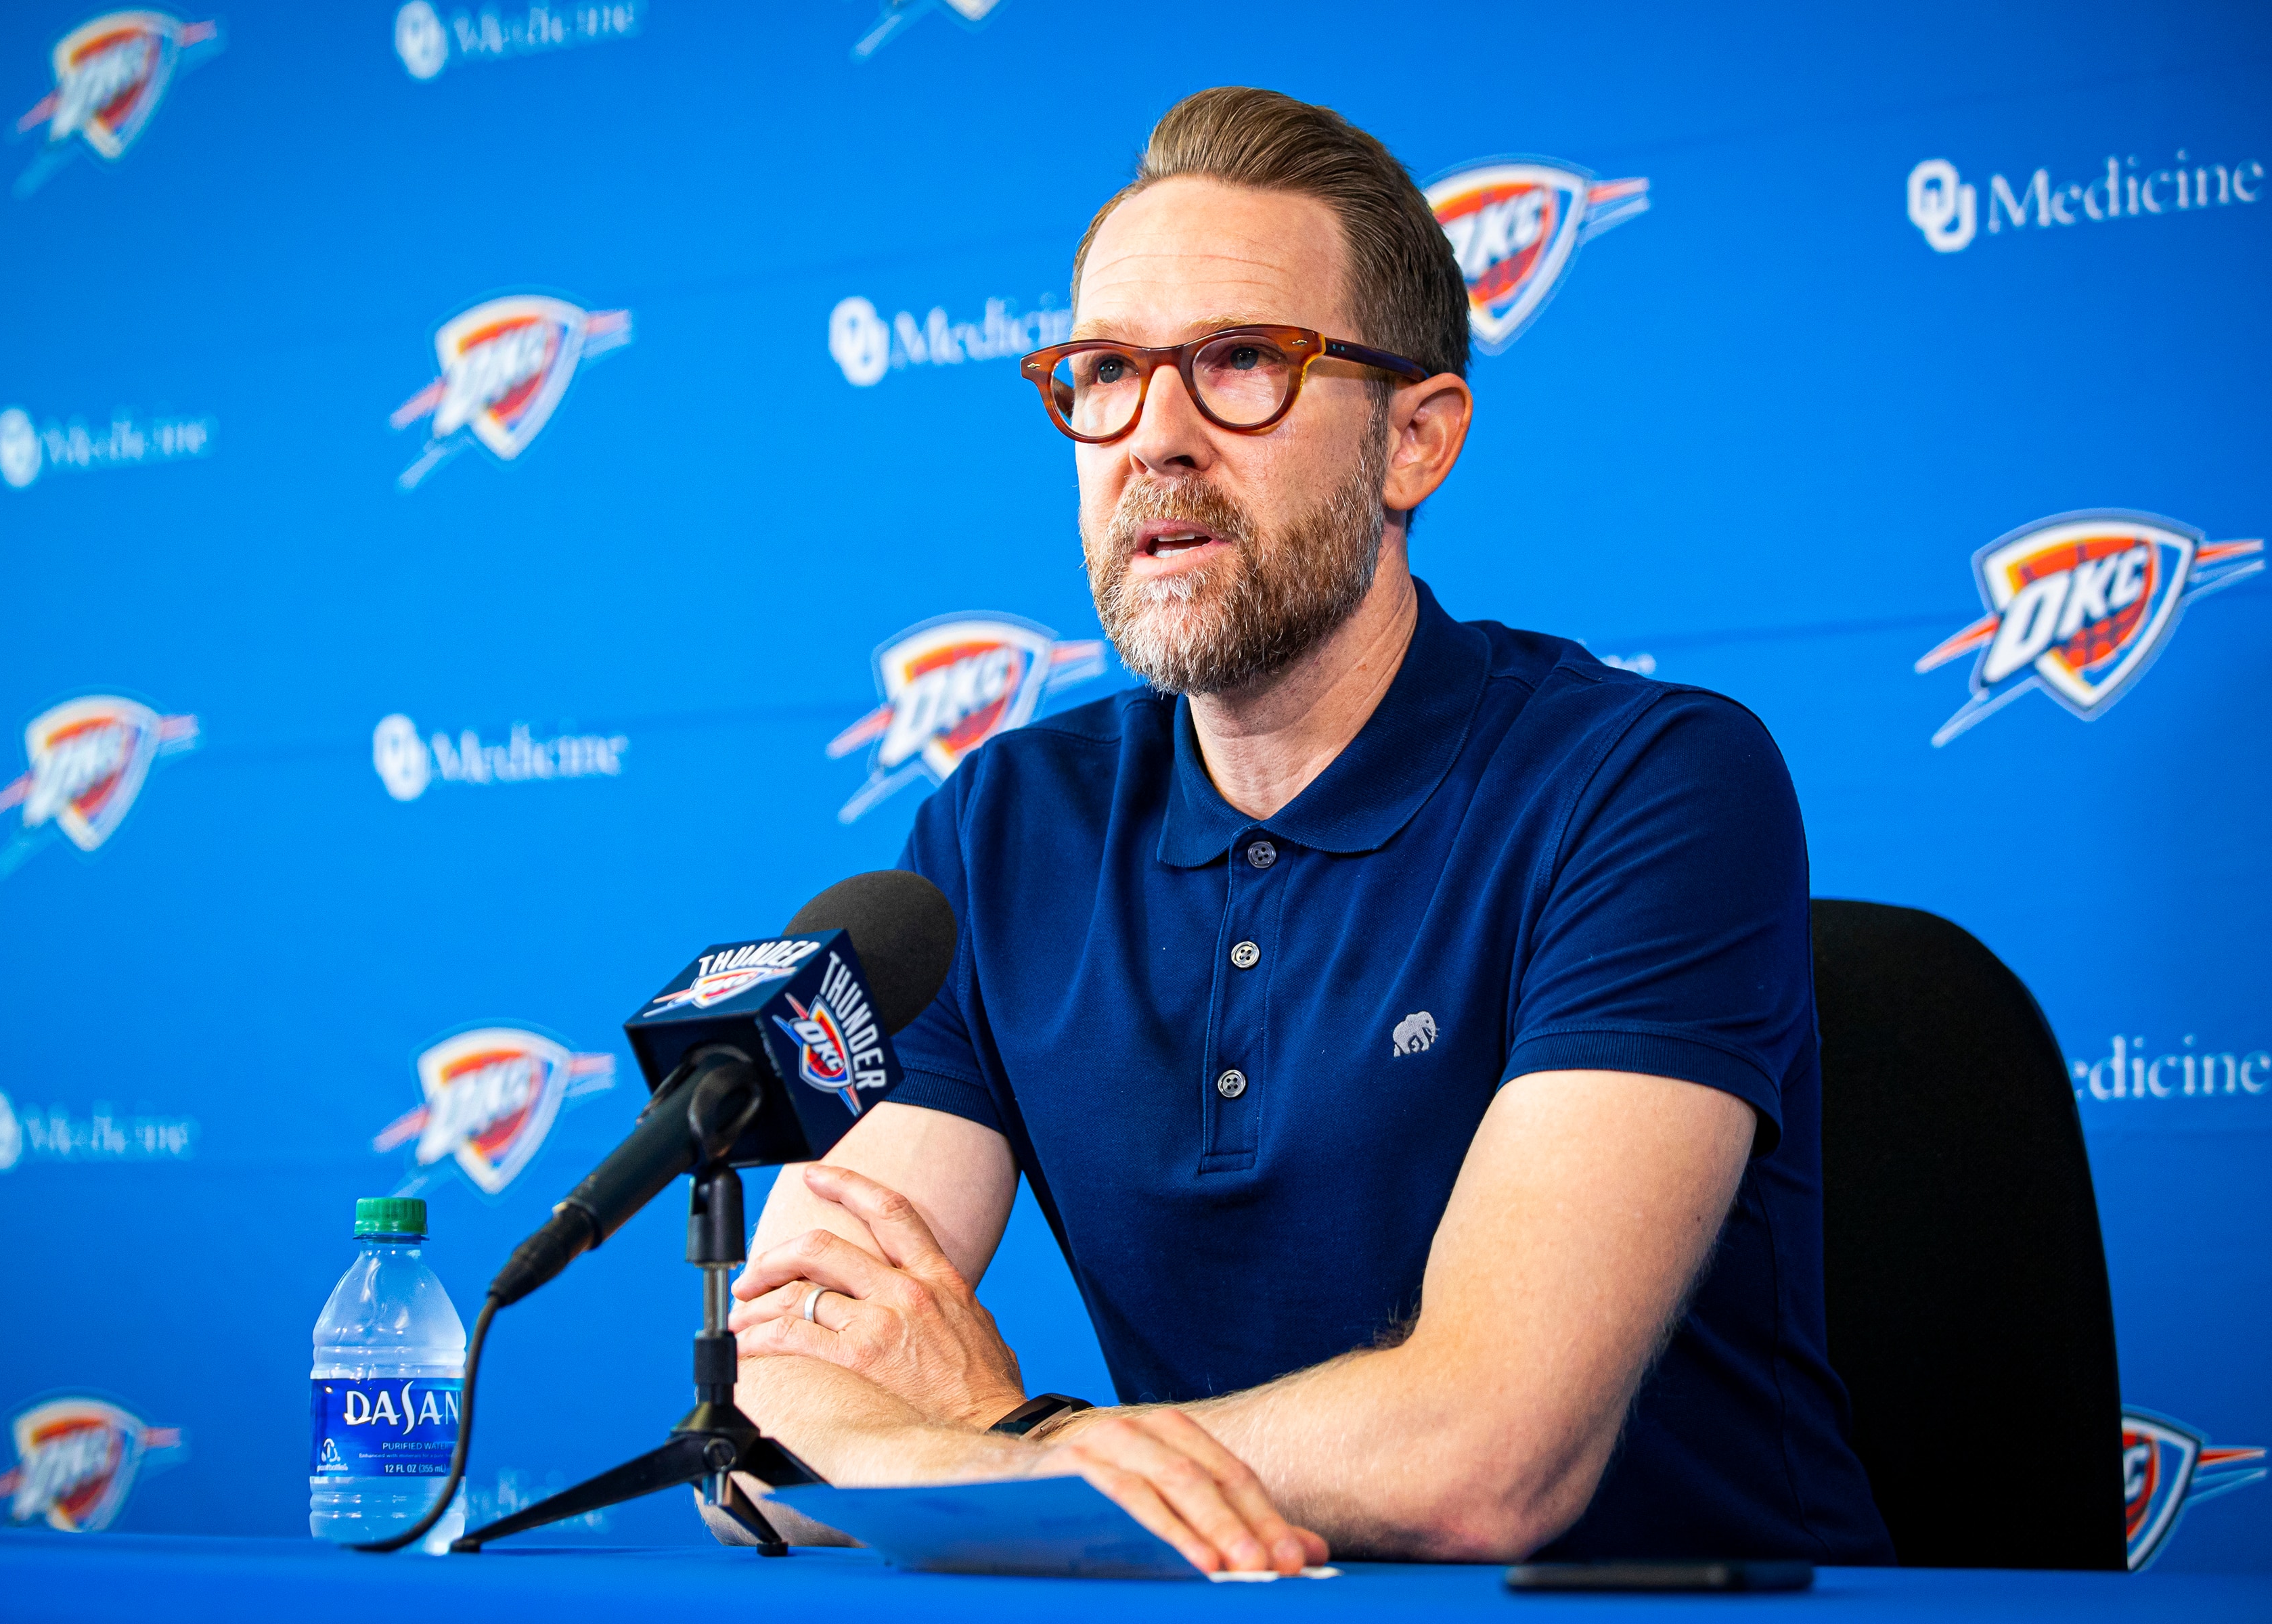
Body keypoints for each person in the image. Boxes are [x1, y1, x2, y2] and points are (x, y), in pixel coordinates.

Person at [719, 86, 1893, 1573]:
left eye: (1240, 366)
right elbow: (783, 1413)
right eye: (1102, 373)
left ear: (1416, 439)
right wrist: (915, 1444)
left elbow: (1486, 1455)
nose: (1155, 436)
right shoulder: (997, 831)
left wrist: (1017, 1442)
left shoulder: (1651, 784)